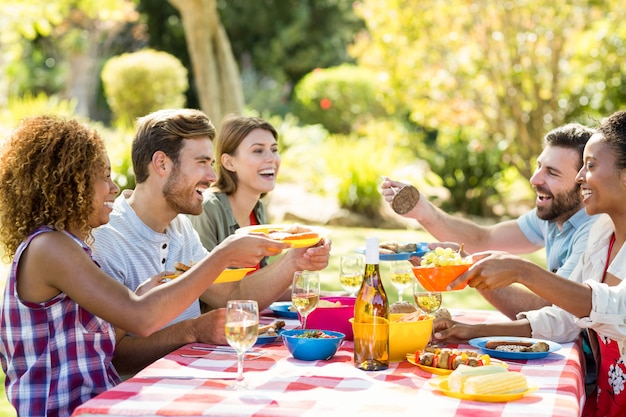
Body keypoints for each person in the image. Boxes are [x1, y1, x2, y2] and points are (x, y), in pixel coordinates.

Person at [0, 115, 285, 417]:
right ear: (70, 183)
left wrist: (142, 293)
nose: (113, 187)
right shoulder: (51, 248)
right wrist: (222, 255)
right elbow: (141, 318)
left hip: (105, 402)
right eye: (103, 176)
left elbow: (97, 330)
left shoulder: (70, 247)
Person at [91, 108, 331, 376]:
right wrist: (192, 331)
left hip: (191, 380)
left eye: (211, 164)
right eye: (201, 162)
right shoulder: (107, 238)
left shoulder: (180, 227)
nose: (212, 177)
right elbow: (113, 356)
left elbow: (232, 296)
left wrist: (293, 262)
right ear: (161, 164)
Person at [450, 109, 626, 416]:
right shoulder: (602, 236)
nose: (581, 177)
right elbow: (566, 319)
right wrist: (470, 331)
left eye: (591, 165)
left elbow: (617, 308)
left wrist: (522, 270)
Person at [380, 123, 599, 320]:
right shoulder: (554, 215)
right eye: (538, 166)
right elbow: (484, 239)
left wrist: (468, 270)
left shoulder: (594, 230)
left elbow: (550, 313)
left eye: (551, 173)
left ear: (583, 183)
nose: (534, 180)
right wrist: (424, 211)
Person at [188, 114, 280, 270]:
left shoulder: (258, 209)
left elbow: (260, 284)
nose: (271, 158)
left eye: (274, 149)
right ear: (229, 162)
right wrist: (290, 262)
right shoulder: (207, 209)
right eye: (258, 150)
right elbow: (213, 289)